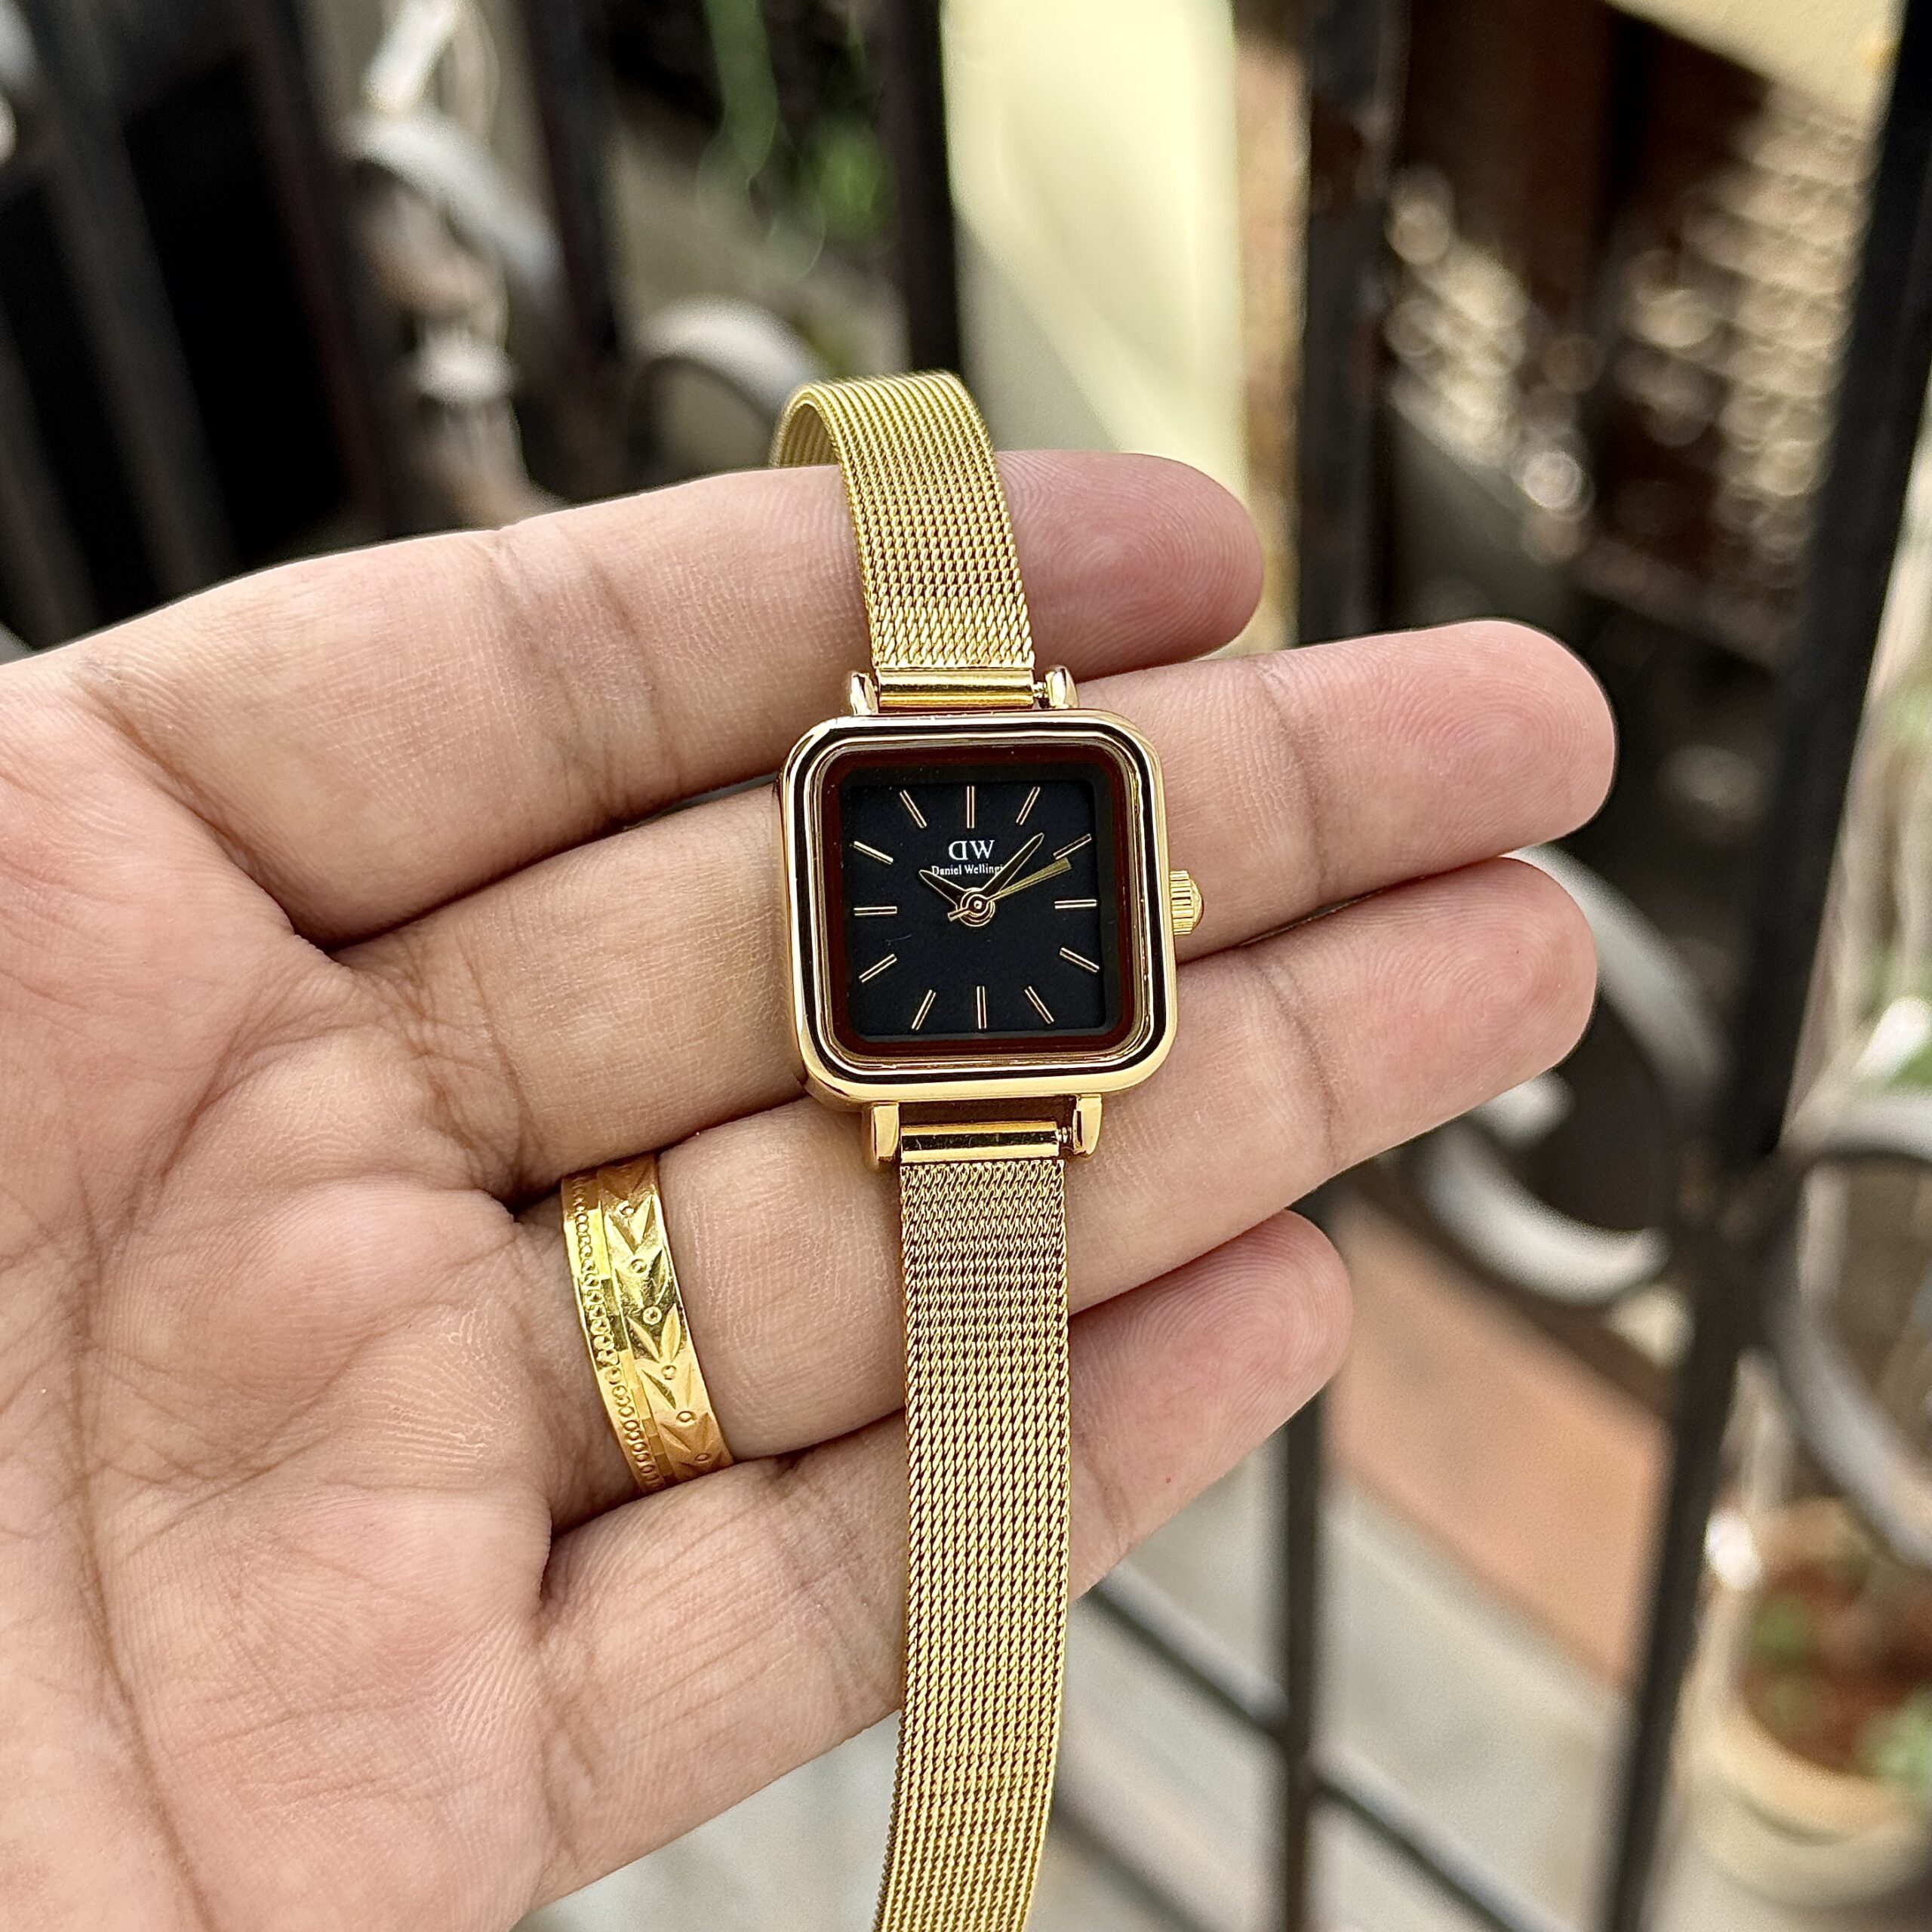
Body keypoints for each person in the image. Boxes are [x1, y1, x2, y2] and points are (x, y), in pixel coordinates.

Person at [0, 450, 1611, 1927]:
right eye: (956, 889)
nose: (974, 903)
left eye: (1017, 885)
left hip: (1000, 1100)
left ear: (1151, 901)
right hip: (944, 1102)